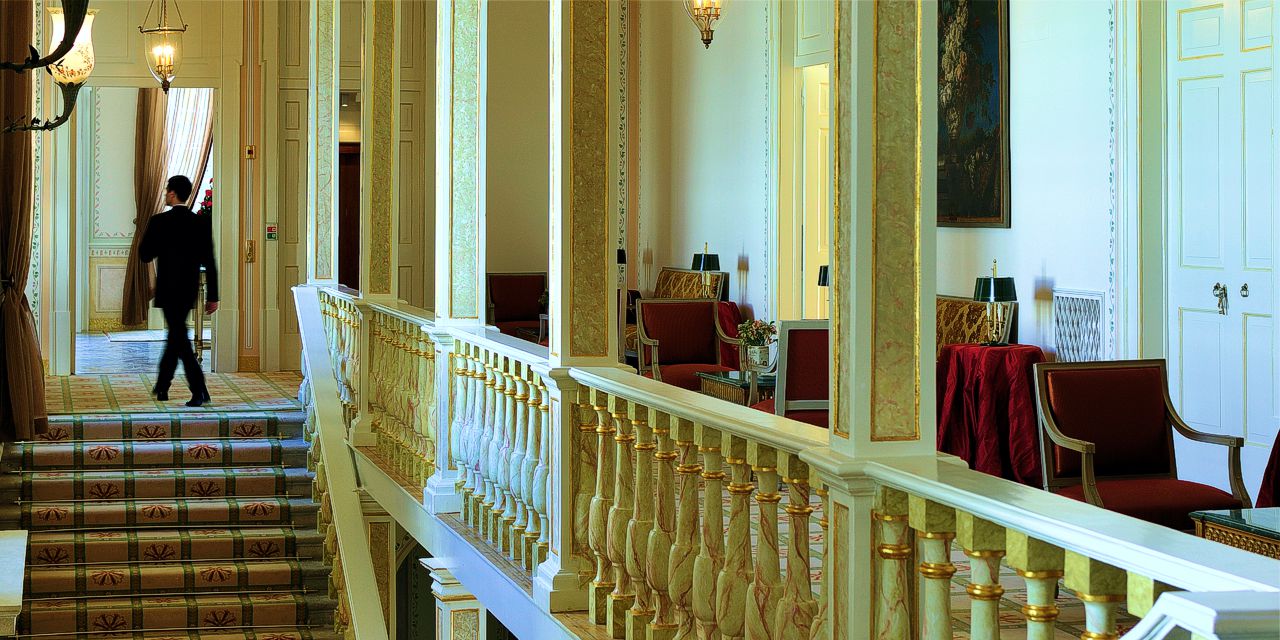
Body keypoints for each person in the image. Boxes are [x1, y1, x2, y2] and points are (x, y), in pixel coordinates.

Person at [139, 175, 219, 407]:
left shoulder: (158, 222)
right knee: (176, 336)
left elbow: (145, 254)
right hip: (187, 291)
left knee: (180, 339)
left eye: (167, 191)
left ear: (173, 194)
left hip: (167, 289)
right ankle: (163, 385)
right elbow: (210, 261)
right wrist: (213, 295)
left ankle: (199, 389)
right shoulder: (201, 223)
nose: (165, 194)